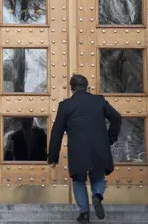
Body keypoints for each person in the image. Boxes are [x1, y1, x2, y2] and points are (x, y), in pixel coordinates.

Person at [47, 74, 122, 223]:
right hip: (100, 147)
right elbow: (116, 117)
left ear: (72, 88)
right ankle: (97, 196)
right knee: (98, 176)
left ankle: (84, 214)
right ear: (87, 87)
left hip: (78, 150)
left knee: (79, 180)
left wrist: (53, 157)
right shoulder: (99, 101)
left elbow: (57, 132)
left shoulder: (66, 105)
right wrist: (110, 138)